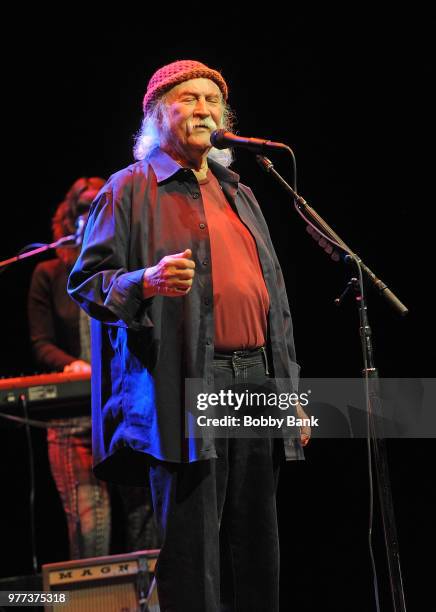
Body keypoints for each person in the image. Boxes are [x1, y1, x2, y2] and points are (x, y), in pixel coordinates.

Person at [68, 60, 310, 611]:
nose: (205, 109)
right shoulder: (128, 189)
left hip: (256, 379)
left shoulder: (239, 191)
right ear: (158, 115)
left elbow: (276, 302)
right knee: (192, 549)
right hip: (185, 380)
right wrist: (145, 280)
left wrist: (292, 396)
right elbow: (84, 281)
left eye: (213, 100)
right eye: (189, 99)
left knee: (258, 542)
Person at [28, 178, 159, 560]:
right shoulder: (49, 274)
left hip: (126, 408)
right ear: (69, 220)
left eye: (96, 207)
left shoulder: (132, 271)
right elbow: (41, 343)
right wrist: (72, 363)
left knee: (146, 520)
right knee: (91, 528)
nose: (90, 216)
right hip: (75, 422)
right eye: (82, 210)